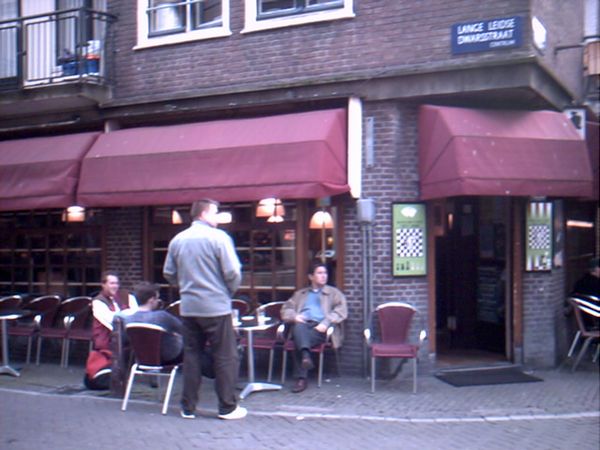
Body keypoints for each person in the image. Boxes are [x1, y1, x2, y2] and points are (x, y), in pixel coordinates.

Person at [163, 199, 246, 420]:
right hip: (216, 307)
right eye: (215, 213)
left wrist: (185, 287)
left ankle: (188, 407)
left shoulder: (177, 240)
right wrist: (227, 292)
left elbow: (169, 273)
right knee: (225, 356)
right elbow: (233, 272)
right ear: (204, 214)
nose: (218, 217)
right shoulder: (219, 238)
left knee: (192, 355)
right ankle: (227, 407)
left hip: (189, 307)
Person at [281, 261, 348, 393]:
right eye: (319, 273)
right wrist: (294, 316)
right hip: (302, 325)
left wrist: (326, 322)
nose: (324, 276)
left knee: (298, 339)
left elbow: (341, 311)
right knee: (299, 328)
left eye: (325, 273)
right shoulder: (300, 294)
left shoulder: (334, 293)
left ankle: (302, 377)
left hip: (320, 329)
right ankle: (306, 356)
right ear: (311, 277)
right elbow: (286, 309)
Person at [86, 271, 137, 390]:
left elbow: (136, 314)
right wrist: (127, 314)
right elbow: (111, 321)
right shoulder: (98, 302)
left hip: (129, 334)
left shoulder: (128, 296)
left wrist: (124, 316)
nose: (115, 286)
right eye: (111, 283)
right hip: (108, 340)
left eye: (117, 283)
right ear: (103, 285)